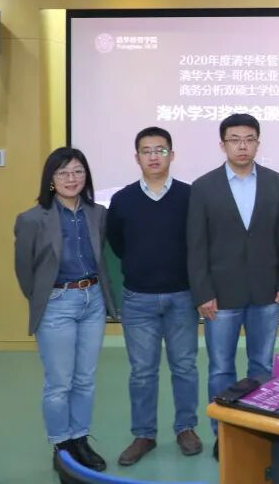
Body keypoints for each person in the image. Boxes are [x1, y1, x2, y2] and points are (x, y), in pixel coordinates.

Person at [187, 113, 279, 459]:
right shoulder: (204, 186)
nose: (242, 146)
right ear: (223, 145)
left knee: (262, 365)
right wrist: (203, 292)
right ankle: (225, 433)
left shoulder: (274, 182)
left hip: (266, 291)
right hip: (220, 294)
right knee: (221, 367)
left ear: (258, 143)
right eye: (235, 140)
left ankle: (258, 432)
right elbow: (196, 245)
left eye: (249, 139)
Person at [14, 147, 115, 472]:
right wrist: (46, 299)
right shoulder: (32, 219)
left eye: (78, 171)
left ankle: (80, 438)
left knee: (85, 379)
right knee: (59, 382)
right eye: (63, 173)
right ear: (51, 179)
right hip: (57, 303)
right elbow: (25, 271)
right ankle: (62, 446)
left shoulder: (98, 213)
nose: (72, 179)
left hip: (93, 300)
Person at [107, 127, 201, 466]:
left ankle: (186, 428)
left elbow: (198, 242)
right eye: (146, 151)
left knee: (185, 367)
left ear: (171, 155)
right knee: (142, 372)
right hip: (139, 299)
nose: (153, 156)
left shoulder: (190, 196)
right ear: (137, 158)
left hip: (182, 297)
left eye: (160, 150)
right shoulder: (123, 199)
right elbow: (118, 243)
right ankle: (144, 434)